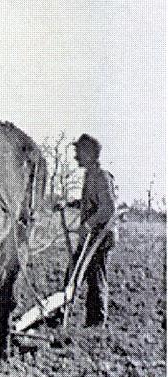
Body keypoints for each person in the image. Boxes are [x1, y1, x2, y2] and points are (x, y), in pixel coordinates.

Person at [54, 134, 117, 327]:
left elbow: (108, 208)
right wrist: (69, 204)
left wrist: (89, 224)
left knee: (95, 276)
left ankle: (96, 323)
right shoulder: (90, 176)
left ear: (90, 154)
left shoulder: (102, 177)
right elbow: (90, 203)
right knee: (73, 272)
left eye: (79, 152)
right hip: (90, 236)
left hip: (101, 236)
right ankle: (60, 314)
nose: (76, 157)